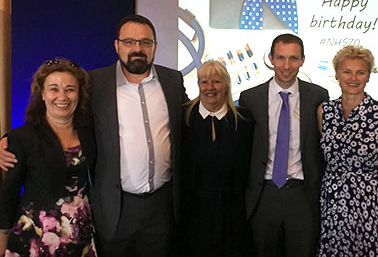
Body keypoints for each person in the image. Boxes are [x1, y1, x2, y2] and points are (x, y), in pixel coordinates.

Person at [0, 14, 188, 257]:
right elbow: (55, 118)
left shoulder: (173, 80)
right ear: (117, 45)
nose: (137, 48)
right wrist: (7, 141)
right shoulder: (95, 82)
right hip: (113, 208)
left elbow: (189, 123)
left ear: (155, 46)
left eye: (145, 42)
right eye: (129, 41)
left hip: (160, 208)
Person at [239, 33, 329, 257]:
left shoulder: (318, 95)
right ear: (270, 58)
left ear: (302, 60)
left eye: (293, 58)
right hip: (264, 194)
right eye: (280, 58)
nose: (286, 66)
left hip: (303, 195)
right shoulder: (250, 98)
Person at [0, 59, 97, 256]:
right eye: (54, 89)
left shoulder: (91, 133)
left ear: (79, 94)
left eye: (70, 89)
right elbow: (8, 193)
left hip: (81, 235)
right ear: (42, 94)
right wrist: (2, 237)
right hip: (36, 237)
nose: (62, 96)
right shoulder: (22, 137)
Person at [317, 45, 378, 256]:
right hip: (334, 205)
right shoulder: (324, 112)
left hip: (373, 205)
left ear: (368, 76)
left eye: (360, 72)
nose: (353, 78)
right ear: (337, 74)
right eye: (347, 71)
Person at [179, 61, 255, 257]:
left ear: (227, 85)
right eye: (204, 82)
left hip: (232, 213)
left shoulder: (244, 120)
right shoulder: (184, 117)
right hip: (194, 213)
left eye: (216, 81)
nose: (210, 88)